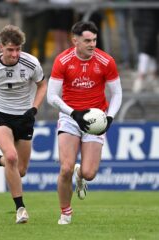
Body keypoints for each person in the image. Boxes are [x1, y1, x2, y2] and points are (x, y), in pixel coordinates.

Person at [47, 21, 122, 225]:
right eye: (87, 40)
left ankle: (81, 175)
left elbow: (117, 93)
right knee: (65, 168)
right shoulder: (63, 61)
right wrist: (74, 113)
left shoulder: (106, 61)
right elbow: (51, 96)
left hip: (96, 119)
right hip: (70, 117)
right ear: (75, 41)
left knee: (89, 173)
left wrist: (110, 117)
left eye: (94, 40)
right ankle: (66, 212)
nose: (92, 44)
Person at [0, 24, 47, 224]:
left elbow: (42, 85)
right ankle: (20, 209)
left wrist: (34, 109)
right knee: (12, 156)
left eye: (18, 49)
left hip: (24, 116)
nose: (14, 54)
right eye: (10, 50)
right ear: (1, 48)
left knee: (21, 169)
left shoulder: (31, 63)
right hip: (0, 114)